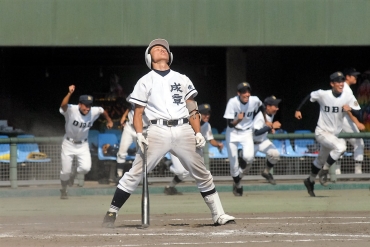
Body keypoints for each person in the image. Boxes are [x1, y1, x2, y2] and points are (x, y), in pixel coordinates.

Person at [102, 38, 235, 227]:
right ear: (149, 58)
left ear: (170, 55)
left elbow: (192, 108)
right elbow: (138, 113)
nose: (161, 49)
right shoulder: (144, 81)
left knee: (202, 173)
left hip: (183, 129)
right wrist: (139, 134)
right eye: (156, 48)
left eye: (164, 48)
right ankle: (112, 212)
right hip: (157, 130)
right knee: (136, 172)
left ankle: (218, 215)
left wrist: (197, 132)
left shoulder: (182, 78)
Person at [295, 72, 365, 197]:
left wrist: (350, 109)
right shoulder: (323, 94)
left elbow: (359, 114)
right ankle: (325, 171)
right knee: (341, 147)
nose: (340, 83)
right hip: (322, 132)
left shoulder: (348, 96)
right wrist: (298, 109)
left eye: (342, 81)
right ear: (332, 83)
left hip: (333, 135)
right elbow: (309, 96)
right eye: (337, 81)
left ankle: (309, 180)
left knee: (321, 159)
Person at [59, 85, 113, 199]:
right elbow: (63, 105)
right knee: (65, 172)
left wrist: (109, 121)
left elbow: (103, 111)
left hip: (83, 144)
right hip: (68, 143)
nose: (87, 108)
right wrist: (69, 93)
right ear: (80, 104)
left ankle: (74, 172)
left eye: (89, 105)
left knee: (85, 168)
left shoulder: (93, 111)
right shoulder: (72, 109)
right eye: (85, 105)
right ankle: (63, 190)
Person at [163, 103, 224, 195]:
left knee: (185, 173)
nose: (207, 115)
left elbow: (211, 140)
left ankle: (170, 187)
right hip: (176, 147)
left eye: (208, 113)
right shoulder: (187, 122)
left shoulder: (207, 125)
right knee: (181, 171)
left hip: (189, 151)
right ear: (198, 114)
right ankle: (167, 163)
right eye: (204, 113)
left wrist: (218, 144)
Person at [223, 82, 269, 196]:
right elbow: (229, 124)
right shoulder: (233, 102)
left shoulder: (254, 100)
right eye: (244, 92)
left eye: (248, 91)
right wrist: (238, 120)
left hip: (246, 131)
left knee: (248, 157)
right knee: (233, 166)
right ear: (239, 93)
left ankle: (241, 154)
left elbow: (262, 106)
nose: (247, 94)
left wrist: (266, 120)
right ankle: (238, 186)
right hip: (233, 132)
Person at [336, 68, 364, 174]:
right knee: (359, 142)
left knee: (340, 146)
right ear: (347, 77)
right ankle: (358, 172)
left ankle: (337, 173)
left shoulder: (339, 87)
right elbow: (347, 109)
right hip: (344, 120)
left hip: (336, 120)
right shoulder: (346, 89)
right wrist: (357, 123)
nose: (356, 77)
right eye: (354, 75)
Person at [116, 94, 149, 182]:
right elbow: (131, 106)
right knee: (121, 152)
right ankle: (119, 175)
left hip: (144, 130)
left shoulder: (154, 98)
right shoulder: (136, 93)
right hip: (130, 128)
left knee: (142, 155)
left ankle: (140, 177)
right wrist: (124, 116)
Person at [253, 96, 282, 185]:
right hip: (252, 143)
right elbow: (256, 132)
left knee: (275, 155)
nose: (277, 108)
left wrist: (269, 129)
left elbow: (265, 127)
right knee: (245, 167)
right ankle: (237, 182)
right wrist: (271, 127)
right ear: (268, 107)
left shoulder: (271, 114)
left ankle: (266, 172)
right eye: (275, 106)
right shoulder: (260, 117)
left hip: (262, 141)